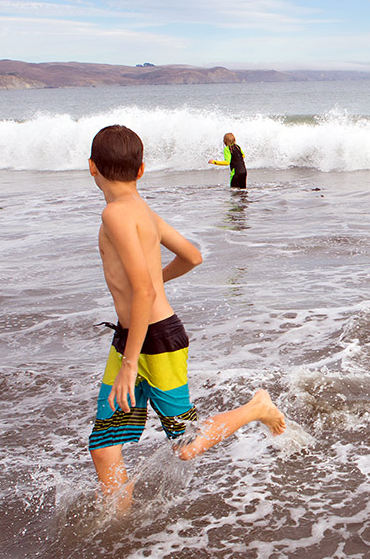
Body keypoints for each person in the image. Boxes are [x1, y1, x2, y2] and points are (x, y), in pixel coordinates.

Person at [87, 124, 285, 512]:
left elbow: (143, 291)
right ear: (141, 170)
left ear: (92, 167)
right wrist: (154, 280)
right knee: (104, 444)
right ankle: (118, 521)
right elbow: (192, 256)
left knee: (187, 445)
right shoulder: (144, 211)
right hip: (136, 334)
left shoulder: (114, 214)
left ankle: (256, 407)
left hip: (154, 340)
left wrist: (130, 362)